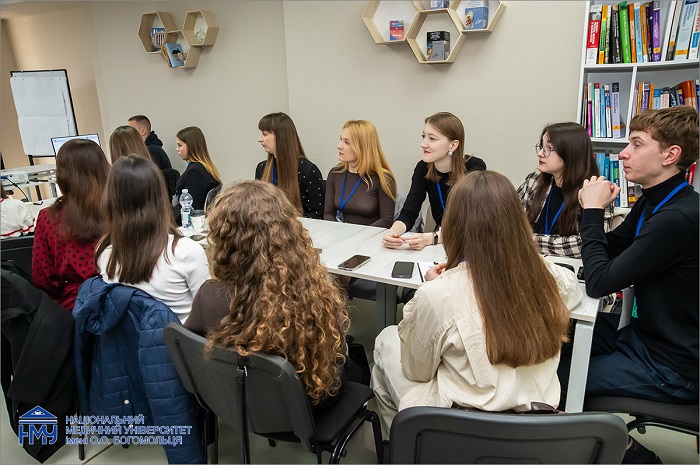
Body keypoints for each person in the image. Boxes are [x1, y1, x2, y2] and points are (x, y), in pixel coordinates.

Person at [372, 170, 582, 437]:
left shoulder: (438, 295)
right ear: (516, 222)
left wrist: (431, 289)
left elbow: (417, 371)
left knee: (386, 341)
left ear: (453, 227)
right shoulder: (546, 277)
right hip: (534, 423)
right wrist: (530, 259)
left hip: (461, 428)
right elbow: (571, 289)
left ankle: (403, 446)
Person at [565, 106, 698, 464]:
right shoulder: (656, 200)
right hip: (644, 337)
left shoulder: (677, 217)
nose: (623, 154)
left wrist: (593, 212)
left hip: (673, 366)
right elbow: (611, 249)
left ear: (670, 155)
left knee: (558, 378)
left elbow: (599, 282)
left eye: (636, 144)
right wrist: (591, 216)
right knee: (554, 345)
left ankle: (631, 454)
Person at [185, 180, 349, 412]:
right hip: (302, 411)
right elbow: (336, 355)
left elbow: (190, 346)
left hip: (237, 407)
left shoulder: (208, 296)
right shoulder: (312, 296)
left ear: (223, 240)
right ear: (289, 234)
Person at [96, 155, 210, 323]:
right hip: (180, 339)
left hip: (131, 339)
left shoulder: (104, 253)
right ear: (160, 198)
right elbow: (208, 314)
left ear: (111, 201)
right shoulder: (186, 252)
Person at [382, 112, 486, 251]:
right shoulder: (423, 168)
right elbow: (409, 212)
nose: (423, 144)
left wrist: (431, 238)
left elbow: (472, 223)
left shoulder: (474, 167)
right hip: (444, 241)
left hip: (473, 244)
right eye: (423, 136)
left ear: (453, 145)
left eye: (432, 138)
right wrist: (392, 233)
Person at [32, 139, 109, 310]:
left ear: (62, 174)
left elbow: (43, 279)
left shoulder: (48, 218)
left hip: (74, 309)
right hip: (124, 304)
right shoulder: (120, 210)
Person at [518, 122, 615, 258]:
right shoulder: (534, 182)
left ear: (571, 152)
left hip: (569, 268)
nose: (540, 154)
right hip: (529, 261)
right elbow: (510, 224)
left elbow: (587, 244)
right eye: (541, 146)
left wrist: (530, 240)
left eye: (549, 148)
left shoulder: (597, 192)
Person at [324, 120, 397, 228]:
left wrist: (358, 235)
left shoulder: (382, 178)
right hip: (340, 234)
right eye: (341, 140)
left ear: (363, 147)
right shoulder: (335, 173)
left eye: (347, 142)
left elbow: (386, 220)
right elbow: (328, 213)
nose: (339, 146)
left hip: (371, 236)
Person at [255, 112, 324, 219]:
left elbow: (316, 214)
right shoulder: (261, 168)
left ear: (281, 136)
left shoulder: (307, 170)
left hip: (299, 228)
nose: (259, 139)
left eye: (265, 134)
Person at [174, 126, 222, 211]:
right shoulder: (205, 167)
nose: (177, 149)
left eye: (180, 145)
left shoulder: (195, 172)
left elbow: (192, 208)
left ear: (191, 146)